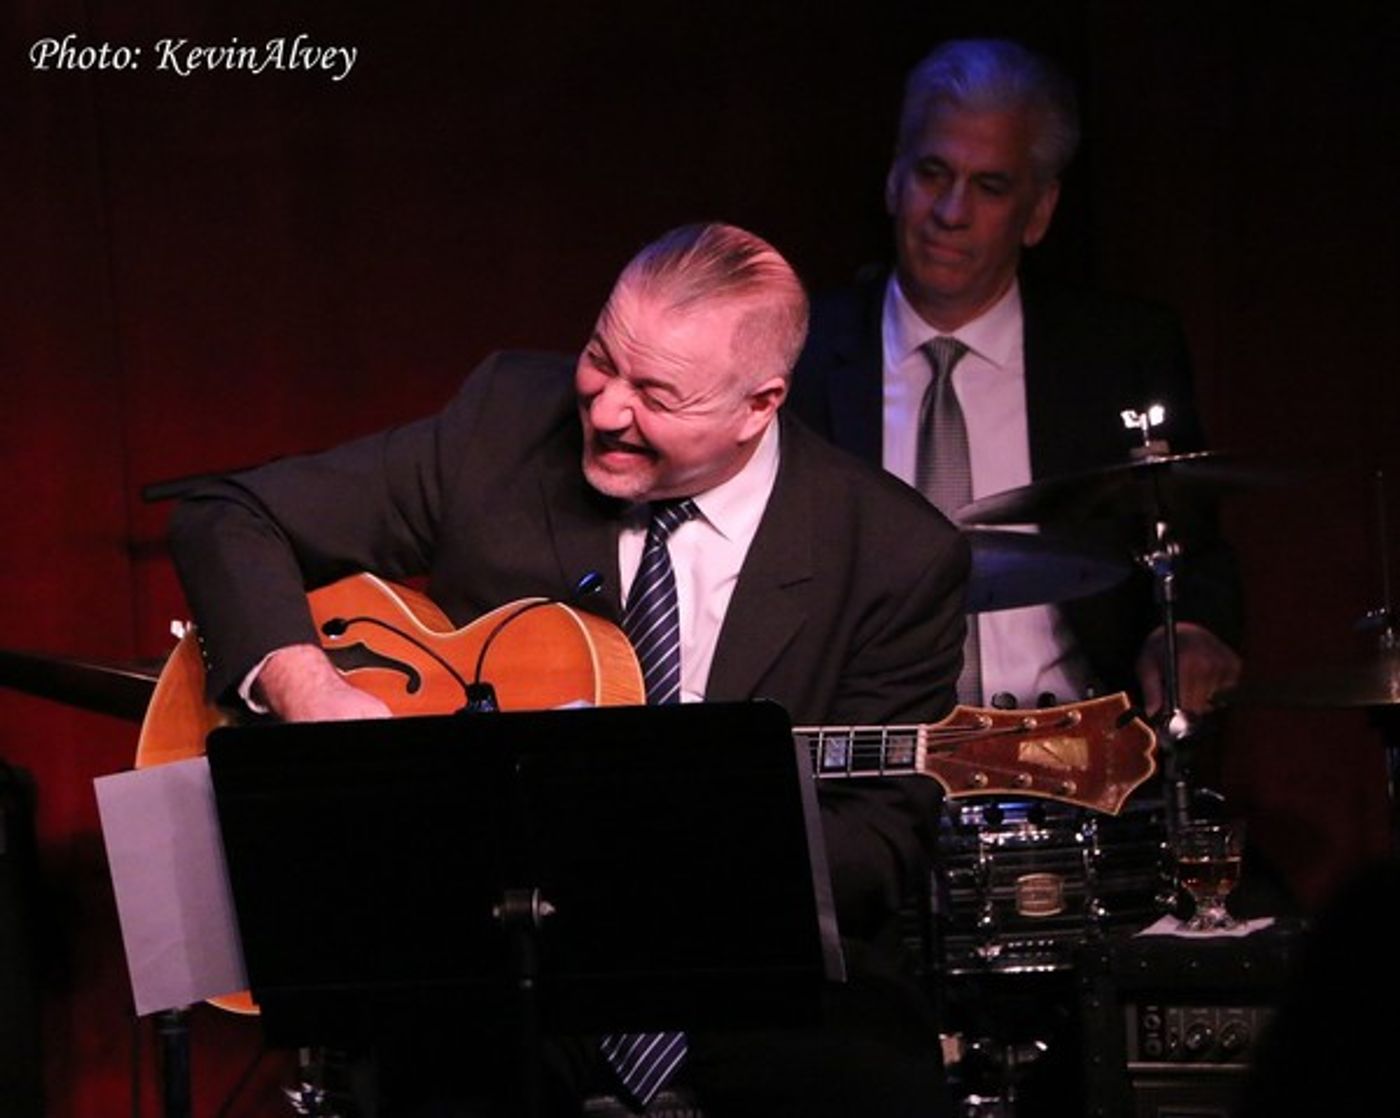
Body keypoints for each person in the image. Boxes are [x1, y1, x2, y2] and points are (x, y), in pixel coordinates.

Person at [169, 222, 966, 1116]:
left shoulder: (896, 553)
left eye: (656, 394)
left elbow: (878, 846)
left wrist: (660, 841)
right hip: (502, 963)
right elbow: (223, 514)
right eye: (601, 360)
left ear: (759, 405)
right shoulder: (504, 423)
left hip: (758, 979)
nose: (607, 409)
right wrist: (307, 687)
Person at [787, 38, 1243, 719]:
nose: (951, 213)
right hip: (868, 754)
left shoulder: (1120, 351)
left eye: (990, 187)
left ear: (1039, 211)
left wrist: (1190, 629)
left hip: (1070, 746)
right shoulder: (802, 350)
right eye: (932, 173)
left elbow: (1191, 549)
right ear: (894, 178)